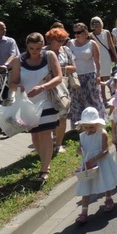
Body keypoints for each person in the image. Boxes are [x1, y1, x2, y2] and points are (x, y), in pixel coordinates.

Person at [7, 32, 63, 183]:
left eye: (38, 48)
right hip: (27, 105)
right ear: (27, 47)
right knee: (35, 136)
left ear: (42, 45)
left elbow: (59, 77)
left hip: (46, 102)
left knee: (45, 135)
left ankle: (44, 170)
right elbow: (12, 83)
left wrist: (42, 87)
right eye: (32, 48)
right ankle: (45, 160)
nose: (35, 52)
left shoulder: (49, 55)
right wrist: (19, 88)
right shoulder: (19, 60)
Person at [74, 107, 117, 224]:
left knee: (104, 181)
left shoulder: (102, 133)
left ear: (97, 124)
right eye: (86, 127)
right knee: (86, 185)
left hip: (101, 161)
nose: (89, 129)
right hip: (88, 164)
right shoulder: (82, 136)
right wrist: (79, 150)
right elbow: (80, 148)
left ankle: (108, 199)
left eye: (91, 126)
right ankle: (84, 211)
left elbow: (105, 150)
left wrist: (94, 159)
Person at [45, 26, 75, 154]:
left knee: (62, 116)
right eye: (58, 40)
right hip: (48, 88)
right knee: (51, 116)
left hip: (63, 86)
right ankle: (51, 142)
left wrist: (59, 71)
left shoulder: (66, 50)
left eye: (63, 40)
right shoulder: (44, 52)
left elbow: (74, 68)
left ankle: (59, 144)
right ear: (51, 40)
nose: (61, 43)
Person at [68, 23, 106, 124]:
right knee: (76, 101)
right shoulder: (70, 44)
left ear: (85, 32)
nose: (76, 34)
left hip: (89, 75)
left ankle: (98, 121)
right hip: (75, 77)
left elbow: (97, 61)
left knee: (94, 99)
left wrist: (98, 75)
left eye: (79, 32)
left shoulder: (92, 43)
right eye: (75, 32)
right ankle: (78, 124)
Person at [89, 16, 117, 104]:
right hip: (97, 57)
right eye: (94, 24)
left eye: (98, 23)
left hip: (106, 57)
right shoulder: (91, 35)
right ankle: (103, 98)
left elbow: (111, 45)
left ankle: (114, 95)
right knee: (100, 78)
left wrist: (116, 56)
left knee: (107, 77)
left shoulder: (106, 32)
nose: (97, 26)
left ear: (101, 23)